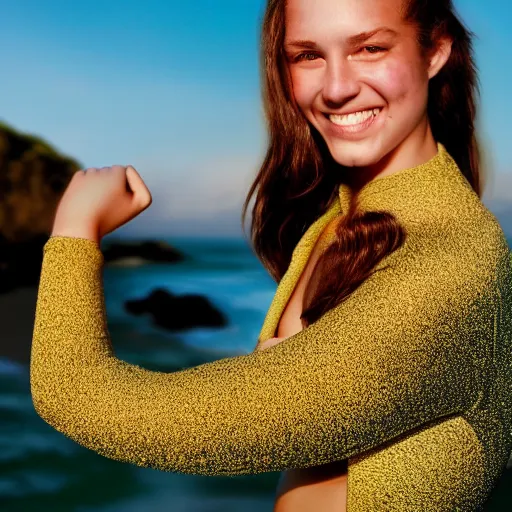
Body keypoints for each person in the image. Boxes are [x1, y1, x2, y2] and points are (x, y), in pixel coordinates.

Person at [29, 1, 512, 512]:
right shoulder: (336, 224)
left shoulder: (450, 265)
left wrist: (74, 233)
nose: (336, 88)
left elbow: (82, 397)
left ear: (436, 50)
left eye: (370, 48)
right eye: (307, 55)